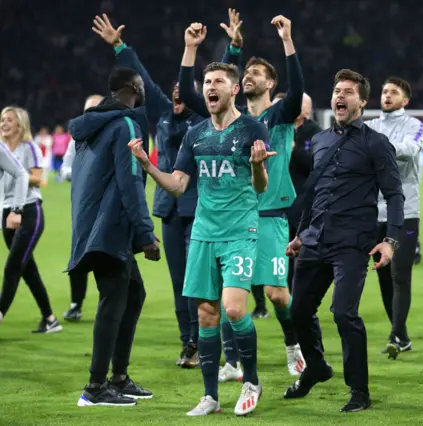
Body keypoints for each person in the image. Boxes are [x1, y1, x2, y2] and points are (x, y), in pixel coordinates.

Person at [130, 60, 270, 416]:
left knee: (235, 309)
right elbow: (178, 185)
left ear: (234, 89)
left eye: (218, 81)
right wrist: (148, 165)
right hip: (205, 233)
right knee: (206, 316)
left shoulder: (252, 127)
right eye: (207, 81)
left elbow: (261, 187)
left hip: (240, 230)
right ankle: (210, 396)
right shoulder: (196, 134)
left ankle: (251, 380)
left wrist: (256, 166)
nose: (211, 86)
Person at [178, 10, 306, 379]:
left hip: (270, 219)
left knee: (277, 294)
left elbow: (296, 89)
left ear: (269, 84)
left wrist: (286, 41)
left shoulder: (280, 115)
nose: (249, 76)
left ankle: (292, 343)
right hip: (234, 222)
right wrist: (199, 50)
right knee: (229, 299)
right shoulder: (230, 122)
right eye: (245, 73)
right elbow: (192, 91)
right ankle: (232, 362)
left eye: (257, 74)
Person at [284, 69, 404, 412]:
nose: (340, 96)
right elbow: (314, 192)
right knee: (298, 310)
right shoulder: (319, 140)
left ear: (362, 102)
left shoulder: (377, 143)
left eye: (348, 92)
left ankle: (359, 391)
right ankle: (317, 367)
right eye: (337, 90)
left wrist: (391, 241)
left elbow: (394, 196)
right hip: (315, 238)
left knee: (343, 313)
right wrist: (300, 235)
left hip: (353, 243)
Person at [91, 13, 207, 368]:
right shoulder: (164, 115)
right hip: (169, 209)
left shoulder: (203, 119)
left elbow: (219, 88)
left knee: (196, 280)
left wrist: (232, 49)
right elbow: (141, 76)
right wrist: (119, 47)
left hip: (196, 204)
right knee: (177, 281)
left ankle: (207, 340)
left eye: (182, 92)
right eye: (172, 92)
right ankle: (189, 342)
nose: (176, 95)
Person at [69, 67, 160, 407]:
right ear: (134, 87)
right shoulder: (124, 125)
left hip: (94, 226)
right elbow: (130, 182)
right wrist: (146, 234)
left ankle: (118, 378)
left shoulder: (94, 126)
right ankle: (95, 388)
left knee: (133, 294)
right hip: (109, 229)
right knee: (114, 300)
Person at [365, 77, 423, 359]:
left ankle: (395, 335)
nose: (387, 95)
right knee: (384, 279)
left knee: (401, 274)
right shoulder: (370, 126)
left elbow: (410, 149)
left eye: (394, 92)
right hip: (373, 213)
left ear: (405, 100)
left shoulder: (414, 126)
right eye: (384, 91)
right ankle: (400, 334)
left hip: (405, 214)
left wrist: (376, 147)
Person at [0, 106, 62, 333]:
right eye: (2, 119)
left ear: (20, 124)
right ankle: (50, 319)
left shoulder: (29, 148)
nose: (3, 123)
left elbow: (37, 177)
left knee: (13, 267)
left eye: (9, 120)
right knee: (27, 269)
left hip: (29, 211)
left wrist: (18, 174)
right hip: (6, 213)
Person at [61, 94, 104, 323]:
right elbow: (64, 169)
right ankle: (76, 304)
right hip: (82, 209)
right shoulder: (76, 139)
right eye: (88, 110)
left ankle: (111, 304)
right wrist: (82, 174)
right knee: (78, 258)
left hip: (108, 208)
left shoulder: (114, 136)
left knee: (108, 258)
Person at [287, 93, 322, 292]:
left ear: (308, 110)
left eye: (301, 104)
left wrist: (295, 151)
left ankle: (299, 295)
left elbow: (317, 164)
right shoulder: (282, 129)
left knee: (301, 252)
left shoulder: (315, 132)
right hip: (280, 200)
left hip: (304, 200)